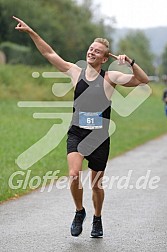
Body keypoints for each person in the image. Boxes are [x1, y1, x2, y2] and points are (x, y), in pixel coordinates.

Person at [13, 16, 149, 238]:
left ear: (105, 58)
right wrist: (31, 32)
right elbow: (49, 54)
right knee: (74, 174)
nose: (92, 52)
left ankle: (97, 218)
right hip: (77, 132)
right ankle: (79, 212)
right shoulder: (75, 72)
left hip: (99, 137)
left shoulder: (111, 76)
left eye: (97, 51)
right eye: (90, 49)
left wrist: (131, 63)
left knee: (96, 185)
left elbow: (143, 81)